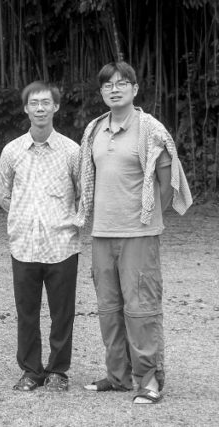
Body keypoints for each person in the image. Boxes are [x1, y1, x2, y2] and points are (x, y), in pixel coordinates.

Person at [76, 61, 192, 404]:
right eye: (108, 84)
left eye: (122, 83)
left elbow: (167, 181)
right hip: (101, 232)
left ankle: (149, 379)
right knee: (109, 308)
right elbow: (87, 175)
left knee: (141, 308)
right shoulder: (94, 129)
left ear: (135, 89)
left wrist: (150, 213)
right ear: (101, 92)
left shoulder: (151, 129)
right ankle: (118, 375)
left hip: (139, 234)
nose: (115, 89)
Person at [0, 82, 80, 392]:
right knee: (26, 313)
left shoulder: (72, 151)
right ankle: (31, 370)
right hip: (24, 245)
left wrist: (63, 220)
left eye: (47, 102)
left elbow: (82, 194)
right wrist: (24, 215)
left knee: (62, 313)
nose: (41, 108)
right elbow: (3, 194)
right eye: (35, 103)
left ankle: (58, 370)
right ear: (26, 108)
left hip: (63, 245)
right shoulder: (12, 151)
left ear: (57, 107)